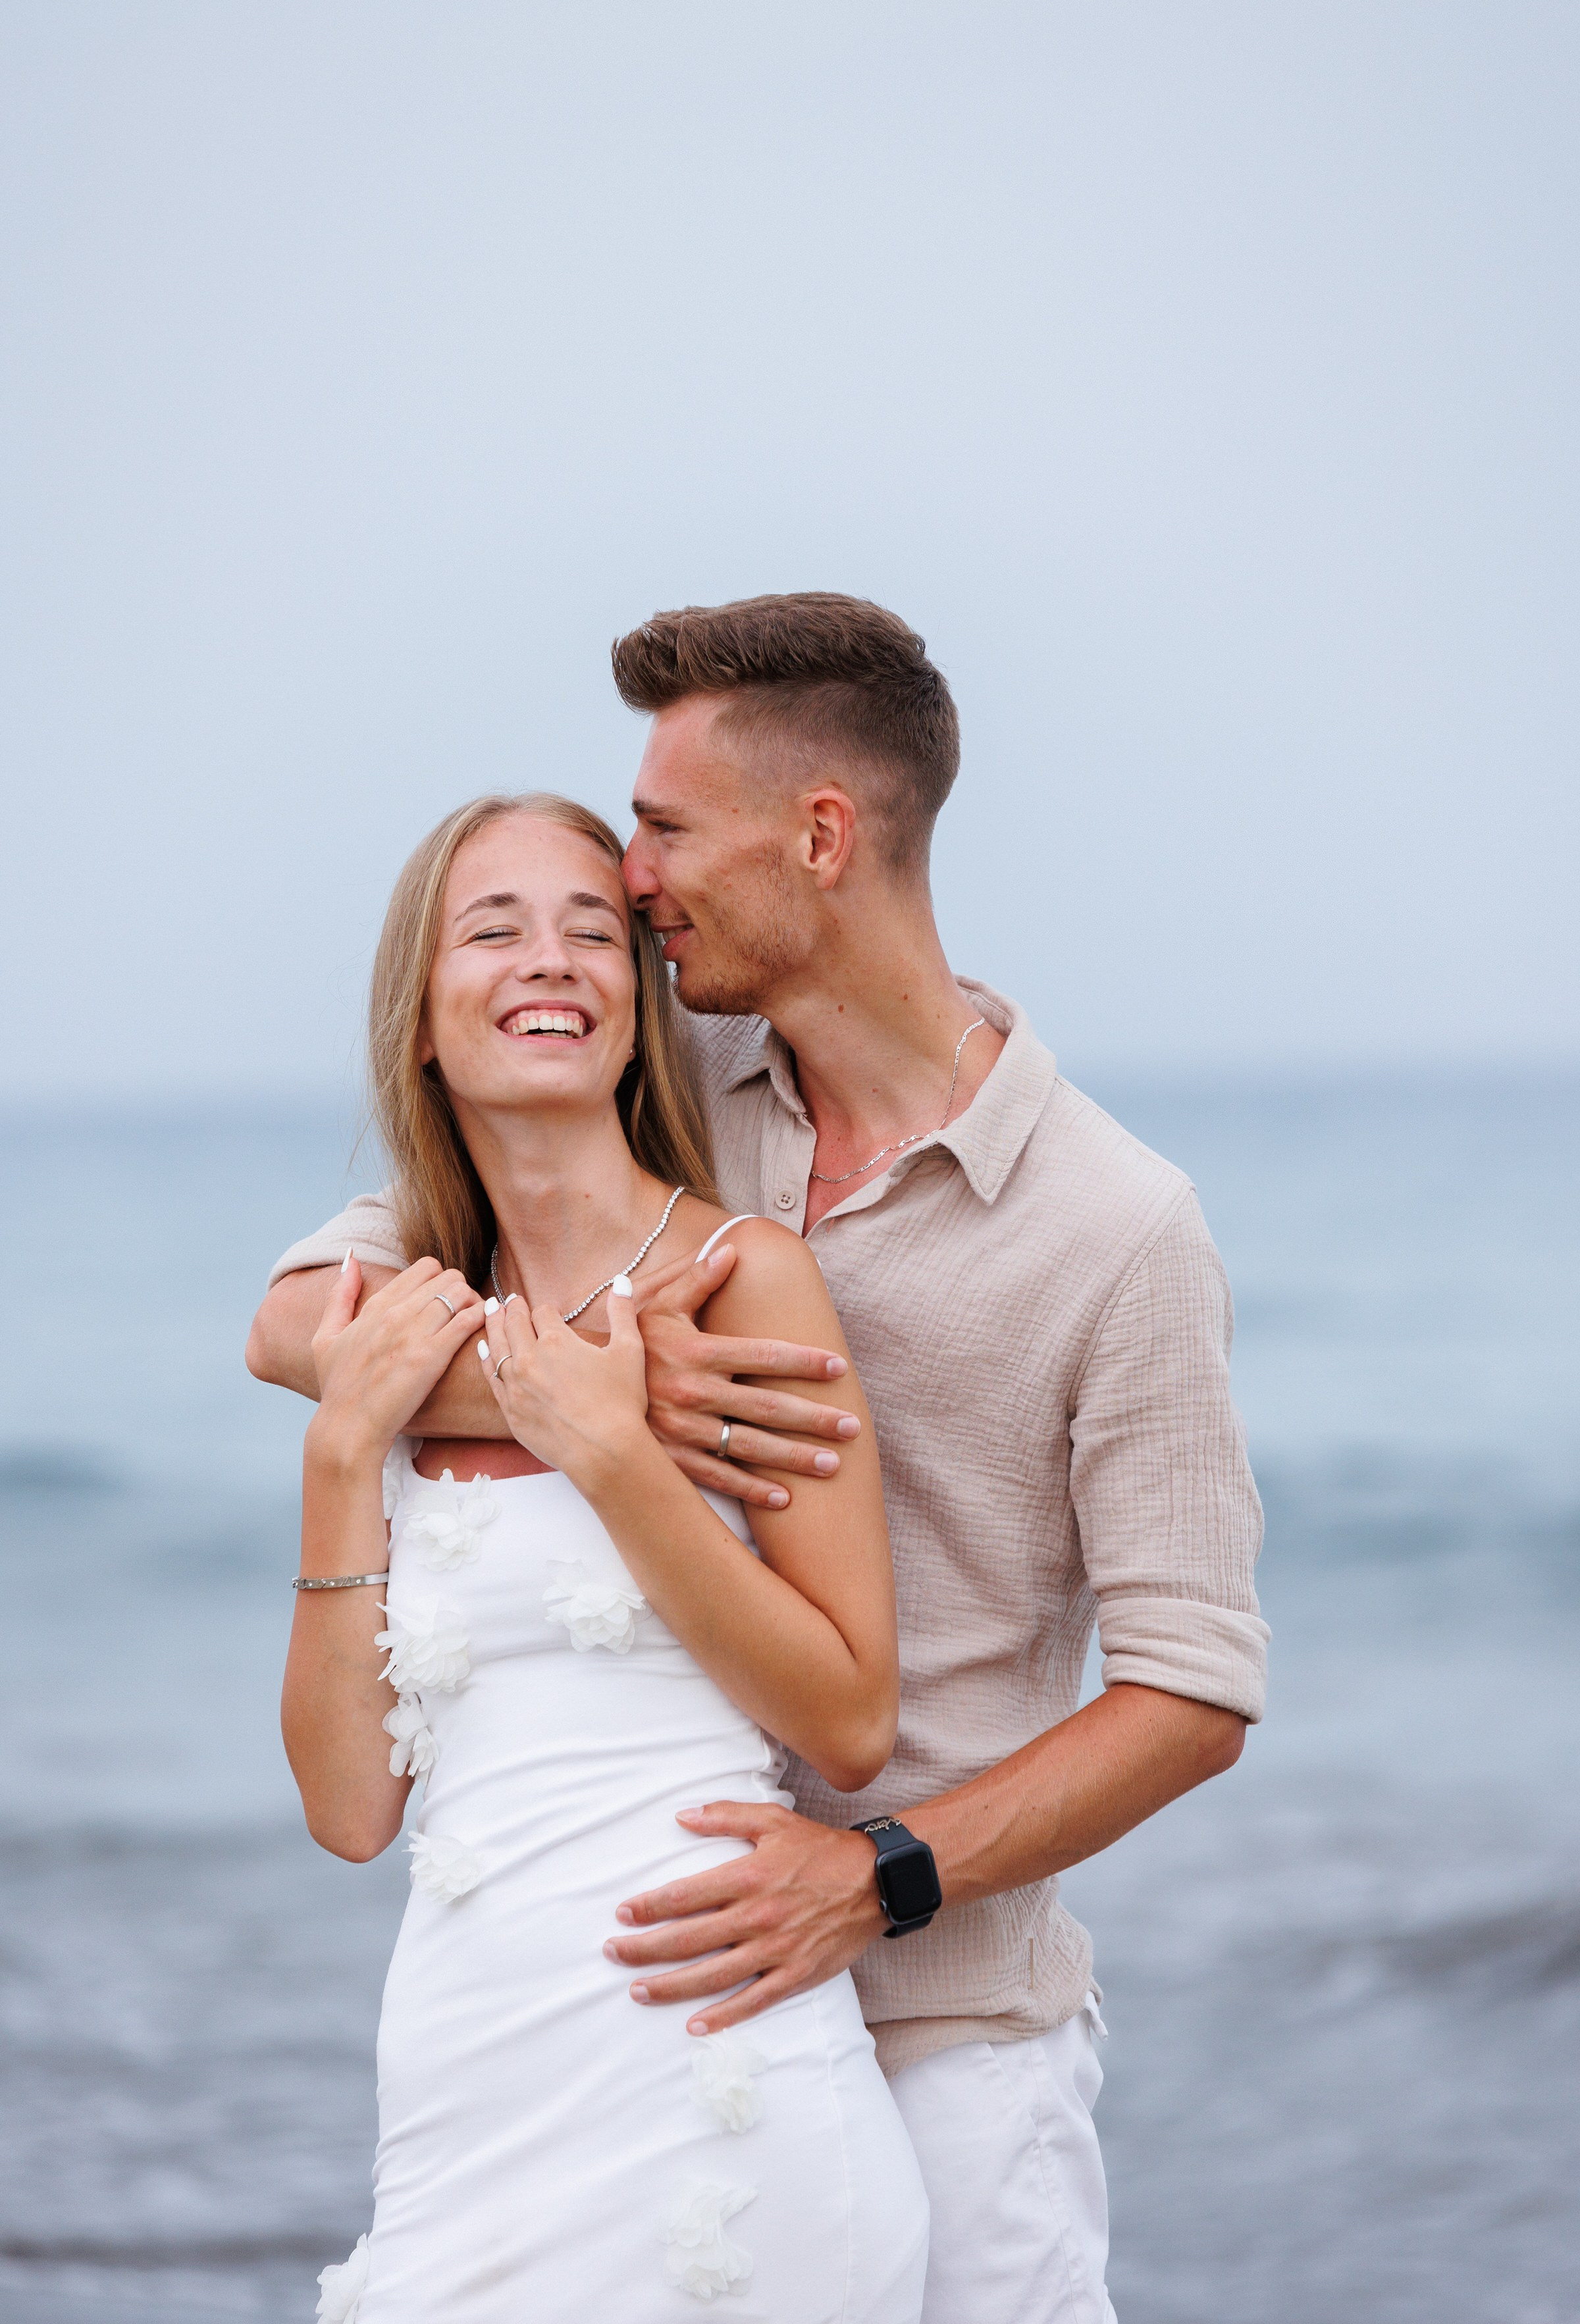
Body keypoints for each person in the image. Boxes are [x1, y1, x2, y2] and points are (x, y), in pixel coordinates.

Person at [251, 593, 1269, 2324]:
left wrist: (882, 1875)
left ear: (819, 836)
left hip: (945, 2024)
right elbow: (306, 1317)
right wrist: (608, 1394)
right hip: (593, 2006)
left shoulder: (1118, 1226)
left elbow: (1192, 1691)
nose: (630, 884)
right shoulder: (674, 1076)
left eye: (658, 831)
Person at [284, 790, 929, 2321]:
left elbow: (847, 1716)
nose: (550, 961)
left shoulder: (741, 1283)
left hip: (716, 2073)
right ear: (424, 1020)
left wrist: (616, 1455)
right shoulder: (402, 1325)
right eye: (494, 929)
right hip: (467, 2089)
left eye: (592, 931)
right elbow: (349, 1809)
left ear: (640, 1020)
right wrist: (335, 1456)